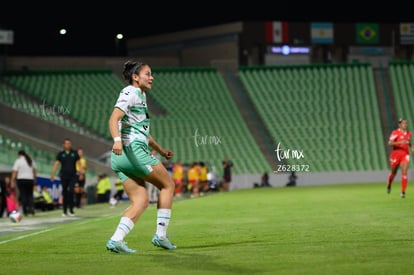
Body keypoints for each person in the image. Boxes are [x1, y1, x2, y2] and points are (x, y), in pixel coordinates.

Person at [106, 60, 176, 254]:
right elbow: (113, 119)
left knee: (141, 201)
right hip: (132, 152)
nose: (151, 77)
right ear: (135, 77)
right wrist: (117, 140)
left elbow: (142, 131)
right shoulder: (130, 92)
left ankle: (116, 239)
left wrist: (160, 150)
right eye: (148, 73)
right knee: (167, 185)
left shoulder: (140, 96)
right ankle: (161, 236)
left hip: (121, 159)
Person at [50, 138, 84, 217]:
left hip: (73, 176)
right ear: (63, 145)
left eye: (69, 143)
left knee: (71, 192)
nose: (68, 145)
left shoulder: (74, 153)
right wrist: (52, 174)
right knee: (64, 192)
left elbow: (79, 164)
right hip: (63, 176)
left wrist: (81, 173)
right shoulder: (61, 154)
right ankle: (64, 211)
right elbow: (56, 164)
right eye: (66, 143)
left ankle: (71, 210)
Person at [387, 118, 414, 198]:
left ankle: (403, 192)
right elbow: (389, 143)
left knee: (404, 172)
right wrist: (400, 142)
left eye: (406, 123)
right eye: (403, 123)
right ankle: (389, 184)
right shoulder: (395, 132)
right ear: (400, 125)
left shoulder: (409, 133)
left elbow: (408, 142)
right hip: (395, 154)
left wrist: (411, 147)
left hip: (405, 154)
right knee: (393, 173)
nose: (405, 125)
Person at [11, 150, 37, 216]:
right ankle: (31, 207)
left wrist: (12, 180)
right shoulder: (31, 160)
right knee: (30, 195)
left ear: (19, 155)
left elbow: (15, 172)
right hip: (30, 179)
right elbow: (34, 171)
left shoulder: (18, 161)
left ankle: (25, 210)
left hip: (21, 179)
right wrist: (34, 179)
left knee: (23, 195)